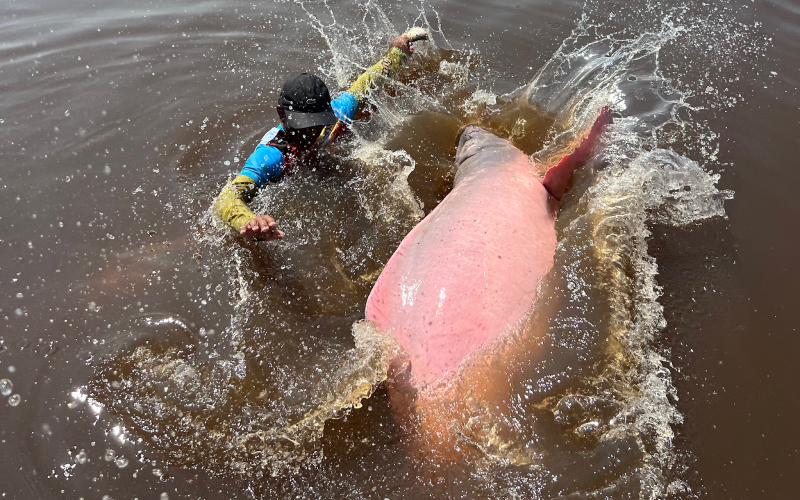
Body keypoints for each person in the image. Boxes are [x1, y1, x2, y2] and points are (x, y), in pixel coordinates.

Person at [213, 32, 426, 241]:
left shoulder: (337, 112)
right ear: (282, 115)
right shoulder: (272, 155)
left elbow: (368, 81)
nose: (310, 132)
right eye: (302, 125)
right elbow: (227, 198)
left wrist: (397, 53)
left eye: (316, 123)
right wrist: (248, 220)